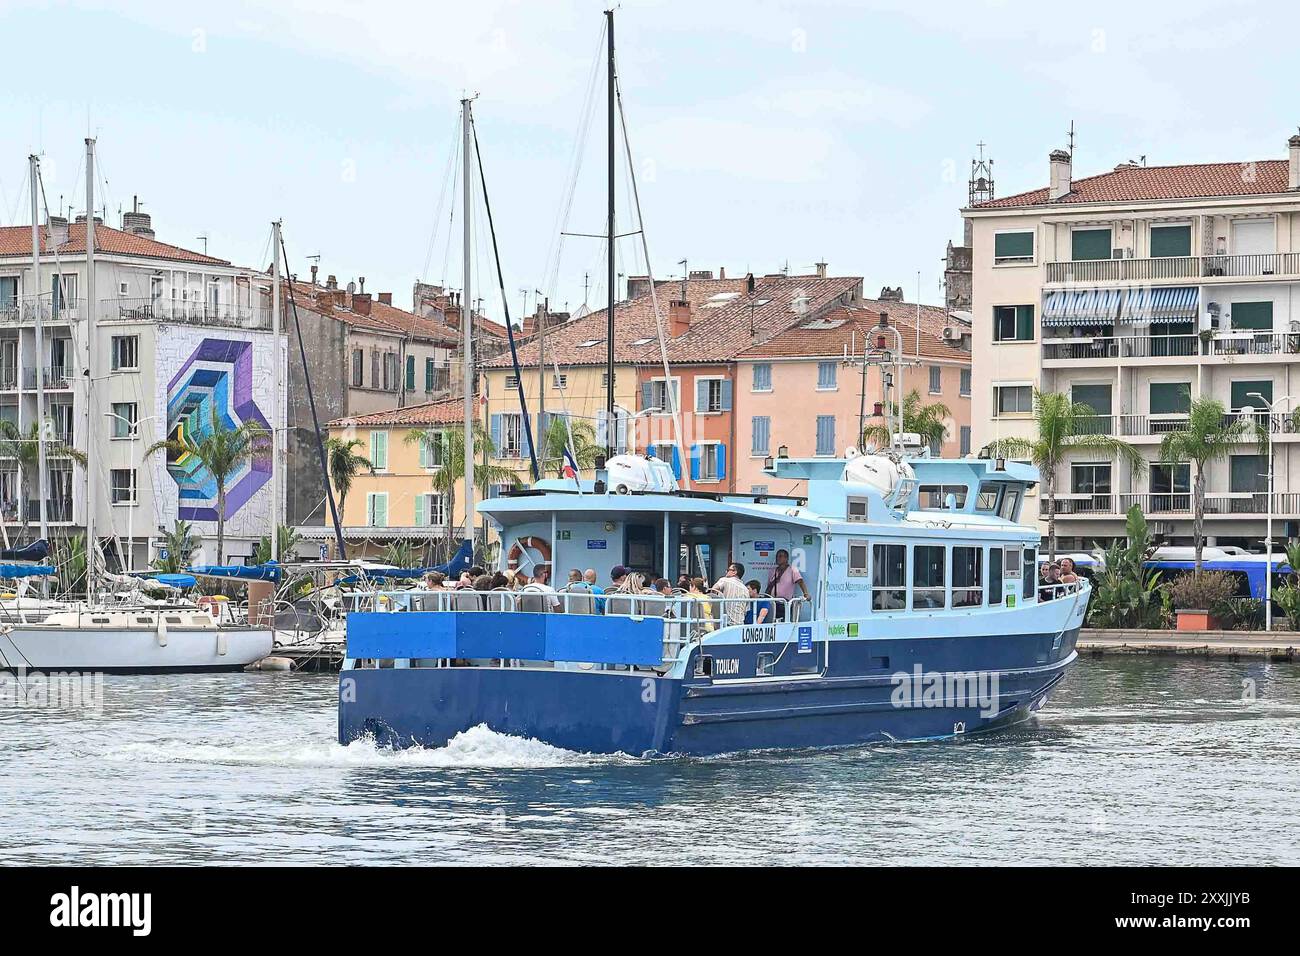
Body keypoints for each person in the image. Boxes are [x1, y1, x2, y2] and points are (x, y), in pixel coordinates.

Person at [766, 550, 810, 620]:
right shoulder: (773, 570)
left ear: (786, 558)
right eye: (777, 556)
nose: (778, 558)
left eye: (780, 556)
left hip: (784, 603)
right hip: (773, 603)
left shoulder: (793, 569)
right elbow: (769, 586)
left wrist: (806, 594)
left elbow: (800, 581)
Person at [712, 561, 750, 627]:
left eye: (728, 570)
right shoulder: (746, 589)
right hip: (740, 624)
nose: (726, 572)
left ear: (734, 572)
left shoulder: (725, 580)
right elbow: (746, 611)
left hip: (725, 623)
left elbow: (713, 590)